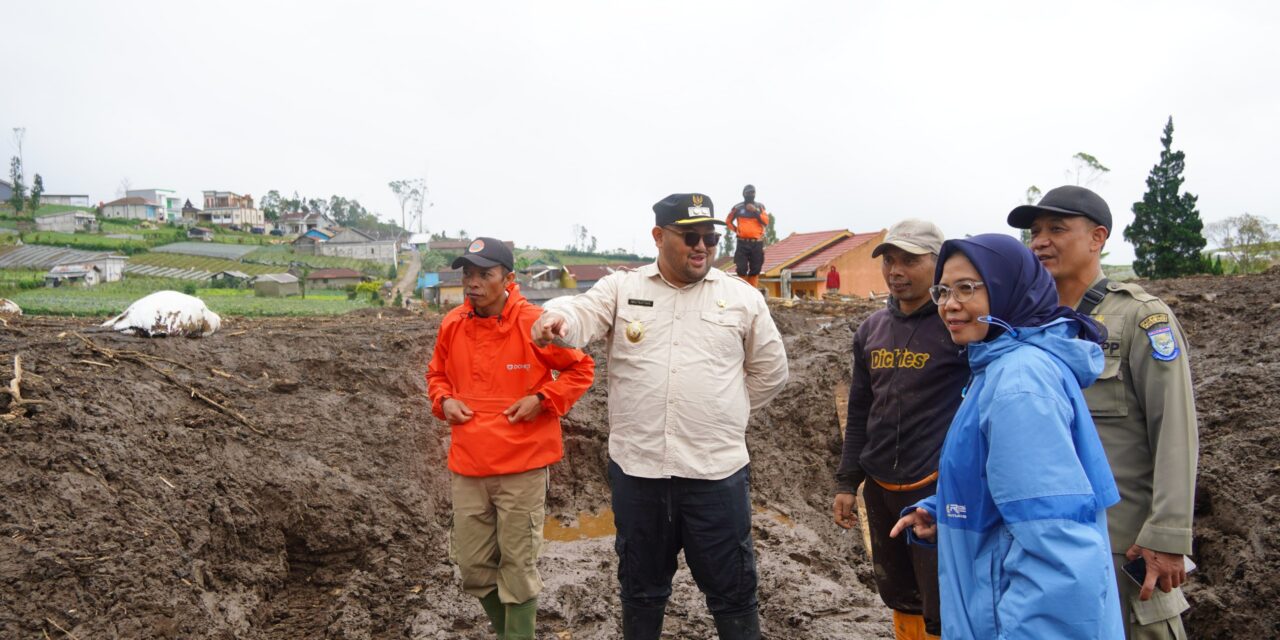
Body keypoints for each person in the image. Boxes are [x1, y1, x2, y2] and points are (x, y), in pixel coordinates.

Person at [530, 193, 789, 640]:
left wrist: (721, 410)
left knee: (734, 591)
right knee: (641, 589)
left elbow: (770, 372)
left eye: (710, 237)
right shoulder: (622, 289)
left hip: (716, 476)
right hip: (641, 474)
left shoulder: (742, 298)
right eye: (690, 236)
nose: (702, 246)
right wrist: (556, 318)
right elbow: (581, 313)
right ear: (658, 236)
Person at [890, 233, 1125, 640]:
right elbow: (1018, 491)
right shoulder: (1000, 366)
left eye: (967, 288)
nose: (949, 304)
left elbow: (1055, 549)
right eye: (943, 290)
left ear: (1007, 290)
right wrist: (947, 508)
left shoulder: (1019, 384)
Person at [1008, 186, 1198, 639]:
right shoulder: (1025, 325)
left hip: (1123, 544)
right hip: (1046, 542)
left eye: (1057, 228)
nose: (1040, 241)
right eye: (1035, 232)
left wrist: (1166, 537)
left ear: (1097, 238)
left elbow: (1175, 430)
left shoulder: (1139, 318)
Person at [426, 237, 596, 640]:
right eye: (468, 273)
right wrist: (444, 400)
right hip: (469, 465)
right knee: (473, 566)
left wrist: (542, 398)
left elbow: (581, 369)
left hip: (522, 465)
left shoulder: (533, 323)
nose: (473, 282)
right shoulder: (452, 323)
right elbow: (437, 376)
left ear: (509, 278)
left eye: (485, 274)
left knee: (518, 566)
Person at [832, 219, 967, 640]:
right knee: (897, 591)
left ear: (938, 262)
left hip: (933, 488)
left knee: (942, 597)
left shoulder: (957, 328)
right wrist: (846, 481)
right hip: (881, 486)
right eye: (889, 260)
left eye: (909, 260)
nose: (895, 270)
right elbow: (860, 410)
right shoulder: (870, 330)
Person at [725, 184, 770, 289]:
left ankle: (752, 292)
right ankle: (743, 291)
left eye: (752, 192)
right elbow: (728, 221)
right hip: (742, 242)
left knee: (756, 269)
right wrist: (737, 230)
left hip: (757, 243)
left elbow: (766, 221)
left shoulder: (760, 207)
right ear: (744, 194)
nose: (751, 195)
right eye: (748, 193)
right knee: (741, 268)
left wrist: (755, 211)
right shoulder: (737, 208)